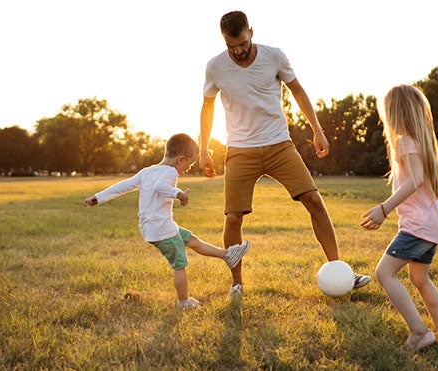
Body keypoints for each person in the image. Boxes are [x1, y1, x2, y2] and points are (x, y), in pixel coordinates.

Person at [199, 10, 371, 299]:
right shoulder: (215, 67)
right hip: (240, 150)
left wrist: (317, 129)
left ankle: (340, 270)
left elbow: (298, 91)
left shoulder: (274, 56)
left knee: (314, 200)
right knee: (232, 218)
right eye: (232, 47)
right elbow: (207, 107)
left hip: (279, 144)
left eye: (242, 43)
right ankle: (237, 283)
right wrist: (203, 149)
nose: (238, 51)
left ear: (251, 32)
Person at [84, 133, 250, 310]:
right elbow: (161, 187)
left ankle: (227, 255)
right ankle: (184, 302)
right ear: (181, 159)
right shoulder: (170, 172)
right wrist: (179, 194)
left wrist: (98, 197)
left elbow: (124, 185)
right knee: (180, 264)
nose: (188, 167)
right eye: (190, 163)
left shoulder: (147, 171)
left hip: (154, 227)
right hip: (162, 229)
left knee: (191, 239)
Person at [360, 84, 438, 352]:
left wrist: (384, 209)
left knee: (384, 273)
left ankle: (420, 332)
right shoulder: (420, 141)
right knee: (420, 279)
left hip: (419, 226)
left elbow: (415, 180)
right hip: (432, 223)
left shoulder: (404, 141)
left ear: (394, 114)